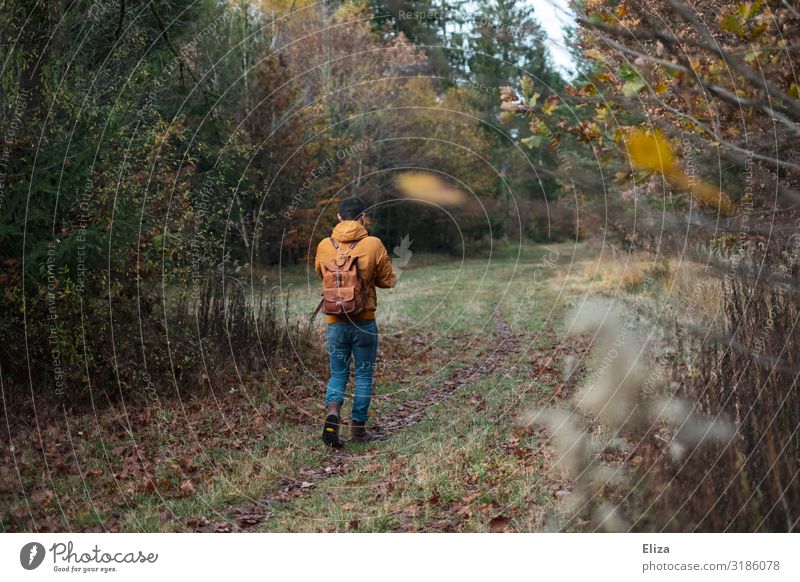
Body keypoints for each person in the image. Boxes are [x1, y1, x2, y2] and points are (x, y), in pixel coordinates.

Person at [314, 197, 396, 447]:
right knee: (363, 374)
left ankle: (333, 412)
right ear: (363, 217)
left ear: (339, 217)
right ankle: (358, 430)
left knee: (338, 372)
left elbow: (321, 273)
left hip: (335, 321)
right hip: (364, 322)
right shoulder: (373, 244)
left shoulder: (324, 245)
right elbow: (388, 280)